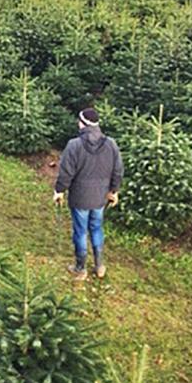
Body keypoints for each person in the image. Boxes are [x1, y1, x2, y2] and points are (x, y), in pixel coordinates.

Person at [53, 107, 124, 281]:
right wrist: (113, 191)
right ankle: (99, 266)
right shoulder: (111, 144)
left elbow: (66, 172)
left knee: (80, 232)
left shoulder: (74, 145)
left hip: (80, 197)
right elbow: (118, 171)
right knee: (97, 228)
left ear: (82, 124)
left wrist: (60, 191)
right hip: (100, 198)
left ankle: (80, 267)